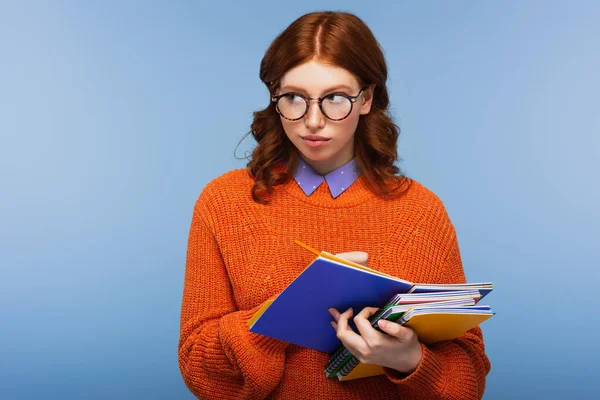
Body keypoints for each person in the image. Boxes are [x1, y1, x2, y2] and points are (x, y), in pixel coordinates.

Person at [178, 11, 490, 400]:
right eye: (294, 98)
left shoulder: (421, 211)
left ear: (367, 98)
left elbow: (467, 383)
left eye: (335, 99)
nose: (312, 121)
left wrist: (409, 358)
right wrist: (287, 310)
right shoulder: (223, 203)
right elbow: (200, 370)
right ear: (274, 96)